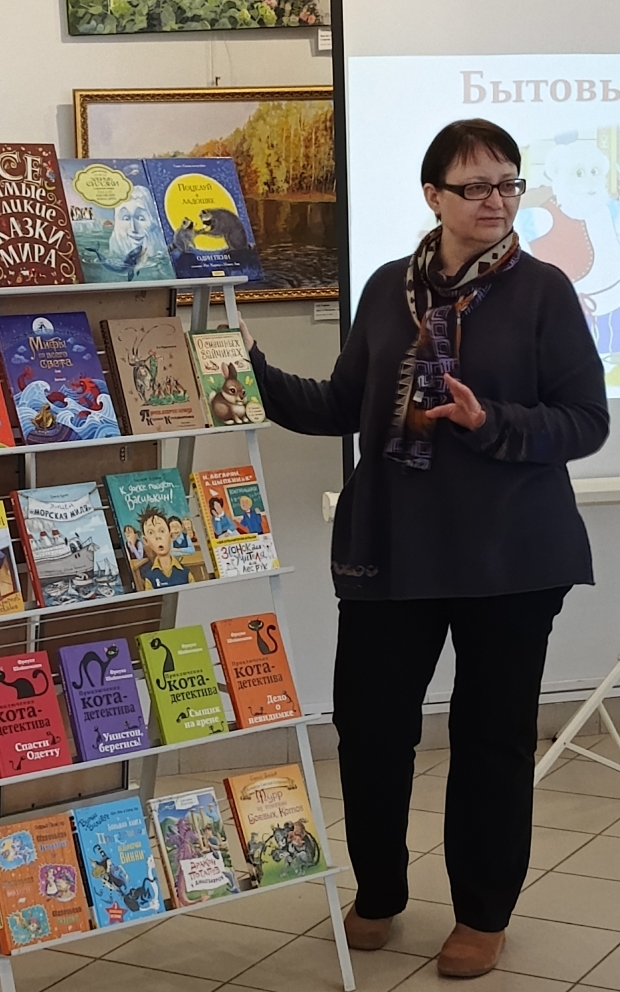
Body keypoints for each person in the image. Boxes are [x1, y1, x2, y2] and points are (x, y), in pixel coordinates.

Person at [240, 119, 609, 978]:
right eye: (476, 187)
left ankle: (482, 914)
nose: (496, 201)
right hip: (393, 549)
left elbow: (586, 421)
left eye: (509, 184)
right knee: (371, 730)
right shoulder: (384, 289)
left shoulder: (545, 291)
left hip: (510, 558)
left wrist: (491, 421)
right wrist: (245, 368)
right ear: (434, 195)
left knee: (490, 739)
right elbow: (343, 406)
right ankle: (378, 893)